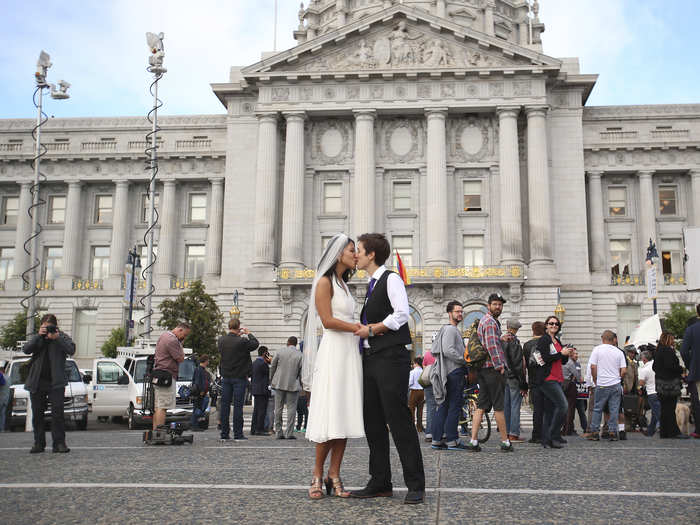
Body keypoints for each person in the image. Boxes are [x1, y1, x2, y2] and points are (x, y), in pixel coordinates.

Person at [350, 233, 425, 504]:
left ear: (371, 255)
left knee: (398, 419)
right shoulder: (371, 285)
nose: (355, 255)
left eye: (358, 250)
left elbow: (401, 314)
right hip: (371, 359)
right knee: (372, 421)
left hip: (390, 358)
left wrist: (372, 328)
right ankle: (380, 481)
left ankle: (416, 484)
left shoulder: (391, 278)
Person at [303, 233, 364, 500]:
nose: (356, 255)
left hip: (349, 352)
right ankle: (317, 474)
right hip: (334, 351)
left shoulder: (345, 284)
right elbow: (327, 320)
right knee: (330, 414)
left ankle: (335, 473)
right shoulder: (325, 282)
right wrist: (359, 328)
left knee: (346, 414)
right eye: (352, 251)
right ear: (339, 253)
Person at [22, 313, 76, 453]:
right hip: (37, 381)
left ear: (56, 326)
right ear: (41, 326)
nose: (48, 330)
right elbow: (26, 349)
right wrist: (39, 335)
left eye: (50, 326)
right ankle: (39, 443)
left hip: (56, 381)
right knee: (38, 413)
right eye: (45, 327)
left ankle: (59, 443)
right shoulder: (38, 337)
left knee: (57, 414)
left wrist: (57, 338)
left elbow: (71, 349)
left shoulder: (61, 336)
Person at [468, 293, 513, 452]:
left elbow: (491, 341)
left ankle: (473, 441)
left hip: (484, 369)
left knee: (481, 406)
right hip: (493, 370)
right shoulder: (490, 322)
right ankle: (505, 441)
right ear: (488, 306)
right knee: (499, 406)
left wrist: (501, 339)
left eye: (500, 305)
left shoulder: (487, 321)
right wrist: (500, 365)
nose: (498, 307)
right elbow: (491, 347)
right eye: (495, 304)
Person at [429, 301, 468, 450]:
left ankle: (437, 440)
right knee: (454, 406)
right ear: (449, 313)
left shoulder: (448, 329)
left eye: (461, 311)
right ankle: (452, 440)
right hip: (454, 372)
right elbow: (448, 350)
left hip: (448, 372)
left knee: (444, 406)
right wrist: (464, 360)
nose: (460, 314)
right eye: (457, 311)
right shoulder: (451, 330)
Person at [534, 316, 572, 449]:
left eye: (556, 324)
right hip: (547, 378)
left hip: (557, 377)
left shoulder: (557, 340)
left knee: (550, 410)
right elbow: (545, 358)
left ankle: (546, 439)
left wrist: (567, 354)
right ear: (546, 325)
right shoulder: (544, 339)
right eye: (551, 323)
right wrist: (561, 353)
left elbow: (562, 361)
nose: (554, 325)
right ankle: (553, 435)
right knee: (563, 406)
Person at [218, 318, 258, 440]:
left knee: (225, 406)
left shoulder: (221, 340)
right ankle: (238, 433)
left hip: (226, 377)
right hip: (239, 377)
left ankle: (224, 433)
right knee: (238, 406)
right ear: (239, 327)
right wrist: (248, 333)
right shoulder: (242, 341)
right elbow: (255, 344)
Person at [587, 330, 626, 441]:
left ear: (602, 338)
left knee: (597, 409)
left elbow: (593, 367)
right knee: (614, 409)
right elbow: (623, 370)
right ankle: (613, 432)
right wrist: (618, 378)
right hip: (615, 384)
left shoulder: (597, 350)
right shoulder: (619, 352)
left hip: (602, 383)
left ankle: (594, 432)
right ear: (613, 339)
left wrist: (595, 380)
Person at [152, 322, 189, 430]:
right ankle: (160, 432)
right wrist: (181, 345)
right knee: (163, 406)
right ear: (180, 330)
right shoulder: (172, 340)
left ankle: (156, 431)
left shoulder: (164, 335)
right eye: (184, 335)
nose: (184, 337)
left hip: (159, 373)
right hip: (166, 375)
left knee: (158, 406)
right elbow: (180, 358)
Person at [653, 332, 689, 439]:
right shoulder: (668, 350)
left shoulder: (658, 351)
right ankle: (673, 432)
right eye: (672, 339)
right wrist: (680, 369)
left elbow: (654, 367)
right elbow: (671, 366)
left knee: (664, 409)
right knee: (670, 408)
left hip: (660, 384)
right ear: (668, 339)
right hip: (670, 384)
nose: (673, 341)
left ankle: (664, 432)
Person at [270, 336, 303, 440]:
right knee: (291, 409)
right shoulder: (300, 355)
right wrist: (301, 384)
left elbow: (273, 366)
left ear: (287, 342)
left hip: (279, 383)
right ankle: (289, 433)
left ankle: (279, 432)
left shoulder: (279, 352)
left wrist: (272, 379)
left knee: (278, 408)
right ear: (296, 344)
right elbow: (302, 372)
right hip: (293, 384)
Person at [503, 318, 526, 443]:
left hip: (504, 376)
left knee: (506, 405)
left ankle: (505, 432)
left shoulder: (502, 340)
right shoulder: (514, 341)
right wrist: (522, 381)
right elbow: (517, 363)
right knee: (515, 405)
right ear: (516, 329)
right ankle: (513, 433)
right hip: (514, 377)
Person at [523, 321, 545, 443]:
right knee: (548, 408)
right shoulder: (547, 343)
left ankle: (536, 435)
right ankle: (547, 433)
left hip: (533, 380)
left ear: (533, 330)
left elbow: (524, 365)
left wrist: (524, 382)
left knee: (537, 409)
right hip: (547, 380)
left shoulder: (526, 345)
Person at [680, 304, 700, 438]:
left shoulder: (692, 330)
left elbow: (683, 351)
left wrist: (690, 364)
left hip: (697, 371)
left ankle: (699, 430)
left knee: (698, 403)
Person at [562, 348, 583, 435]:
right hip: (570, 385)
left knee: (562, 407)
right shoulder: (570, 362)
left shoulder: (561, 361)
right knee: (570, 408)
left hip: (561, 385)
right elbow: (578, 376)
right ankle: (568, 429)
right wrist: (579, 379)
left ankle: (564, 428)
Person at [638, 350, 660, 437]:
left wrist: (639, 389)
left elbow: (641, 383)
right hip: (660, 391)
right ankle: (650, 431)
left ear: (644, 359)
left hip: (651, 393)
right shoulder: (656, 364)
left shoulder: (644, 369)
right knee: (655, 413)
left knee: (657, 413)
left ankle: (663, 429)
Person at [251, 347, 272, 436]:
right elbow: (269, 374)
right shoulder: (263, 364)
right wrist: (270, 362)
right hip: (262, 390)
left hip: (256, 389)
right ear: (264, 353)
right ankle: (260, 429)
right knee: (261, 410)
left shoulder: (255, 363)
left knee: (256, 410)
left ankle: (254, 428)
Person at [190, 355, 210, 431]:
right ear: (205, 361)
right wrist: (201, 391)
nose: (208, 362)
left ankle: (195, 425)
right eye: (208, 361)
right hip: (199, 393)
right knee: (197, 408)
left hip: (200, 392)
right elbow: (198, 382)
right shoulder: (199, 370)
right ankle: (194, 426)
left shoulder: (200, 369)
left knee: (198, 408)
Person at [421, 349, 437, 443]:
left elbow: (424, 368)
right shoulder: (440, 352)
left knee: (430, 408)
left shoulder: (427, 354)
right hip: (438, 382)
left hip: (428, 383)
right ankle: (441, 432)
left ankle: (429, 433)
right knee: (441, 407)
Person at [408, 357, 425, 434]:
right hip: (422, 391)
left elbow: (410, 382)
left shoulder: (412, 372)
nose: (413, 365)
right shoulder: (423, 371)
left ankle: (411, 427)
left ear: (416, 363)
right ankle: (419, 427)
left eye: (413, 363)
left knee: (411, 409)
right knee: (420, 410)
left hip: (414, 391)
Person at [0, 362, 9, 432]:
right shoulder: (8, 377)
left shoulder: (1, 377)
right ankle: (2, 428)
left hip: (1, 398)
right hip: (6, 398)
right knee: (3, 414)